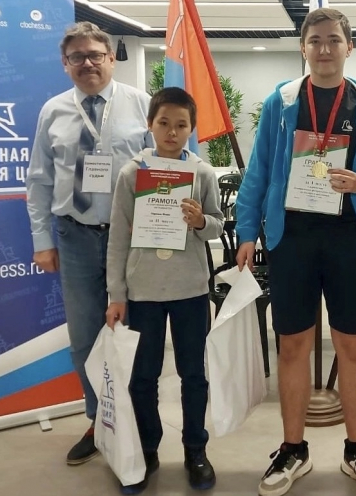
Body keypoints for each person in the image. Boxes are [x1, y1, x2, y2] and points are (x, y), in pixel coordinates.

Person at [233, 7, 356, 496]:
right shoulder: (281, 102)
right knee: (292, 346)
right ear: (303, 48)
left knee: (353, 347)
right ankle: (293, 449)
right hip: (293, 238)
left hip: (350, 238)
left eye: (333, 40)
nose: (324, 49)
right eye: (315, 41)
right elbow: (258, 171)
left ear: (350, 47)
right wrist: (247, 231)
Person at [25, 21, 151, 466]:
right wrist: (42, 240)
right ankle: (99, 419)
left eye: (95, 54)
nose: (87, 63)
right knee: (84, 338)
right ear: (65, 64)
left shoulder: (141, 104)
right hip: (74, 236)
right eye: (76, 57)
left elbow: (162, 168)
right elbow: (39, 180)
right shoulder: (53, 111)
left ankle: (136, 421)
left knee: (134, 334)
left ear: (111, 58)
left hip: (130, 239)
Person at [104, 87, 223, 494]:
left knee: (194, 374)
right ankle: (147, 447)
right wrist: (116, 294)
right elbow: (117, 238)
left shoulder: (202, 173)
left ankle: (195, 449)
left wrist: (200, 221)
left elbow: (217, 224)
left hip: (190, 289)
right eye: (164, 123)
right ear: (150, 125)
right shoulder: (131, 174)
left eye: (181, 125)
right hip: (143, 292)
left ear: (192, 129)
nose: (172, 132)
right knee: (143, 377)